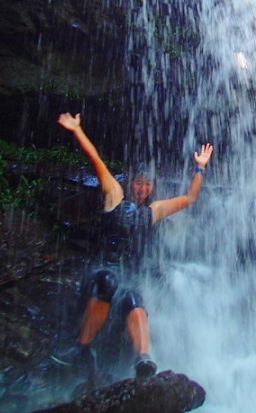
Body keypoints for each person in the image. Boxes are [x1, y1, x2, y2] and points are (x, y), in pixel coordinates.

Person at [53, 112, 213, 380]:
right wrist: (77, 130)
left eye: (147, 183)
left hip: (130, 274)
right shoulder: (114, 195)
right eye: (138, 182)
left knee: (132, 298)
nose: (142, 187)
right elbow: (97, 162)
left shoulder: (153, 211)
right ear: (130, 183)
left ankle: (143, 358)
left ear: (152, 187)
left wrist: (200, 167)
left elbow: (189, 198)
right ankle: (82, 348)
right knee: (108, 281)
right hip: (104, 270)